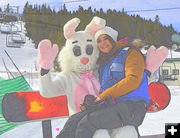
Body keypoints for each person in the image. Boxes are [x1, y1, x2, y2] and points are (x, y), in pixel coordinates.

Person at [56, 26, 150, 138]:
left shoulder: (130, 52)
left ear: (113, 39)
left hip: (132, 106)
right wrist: (95, 103)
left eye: (106, 38)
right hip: (113, 106)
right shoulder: (105, 63)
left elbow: (133, 80)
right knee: (74, 120)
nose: (103, 43)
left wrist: (103, 96)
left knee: (87, 123)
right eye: (99, 41)